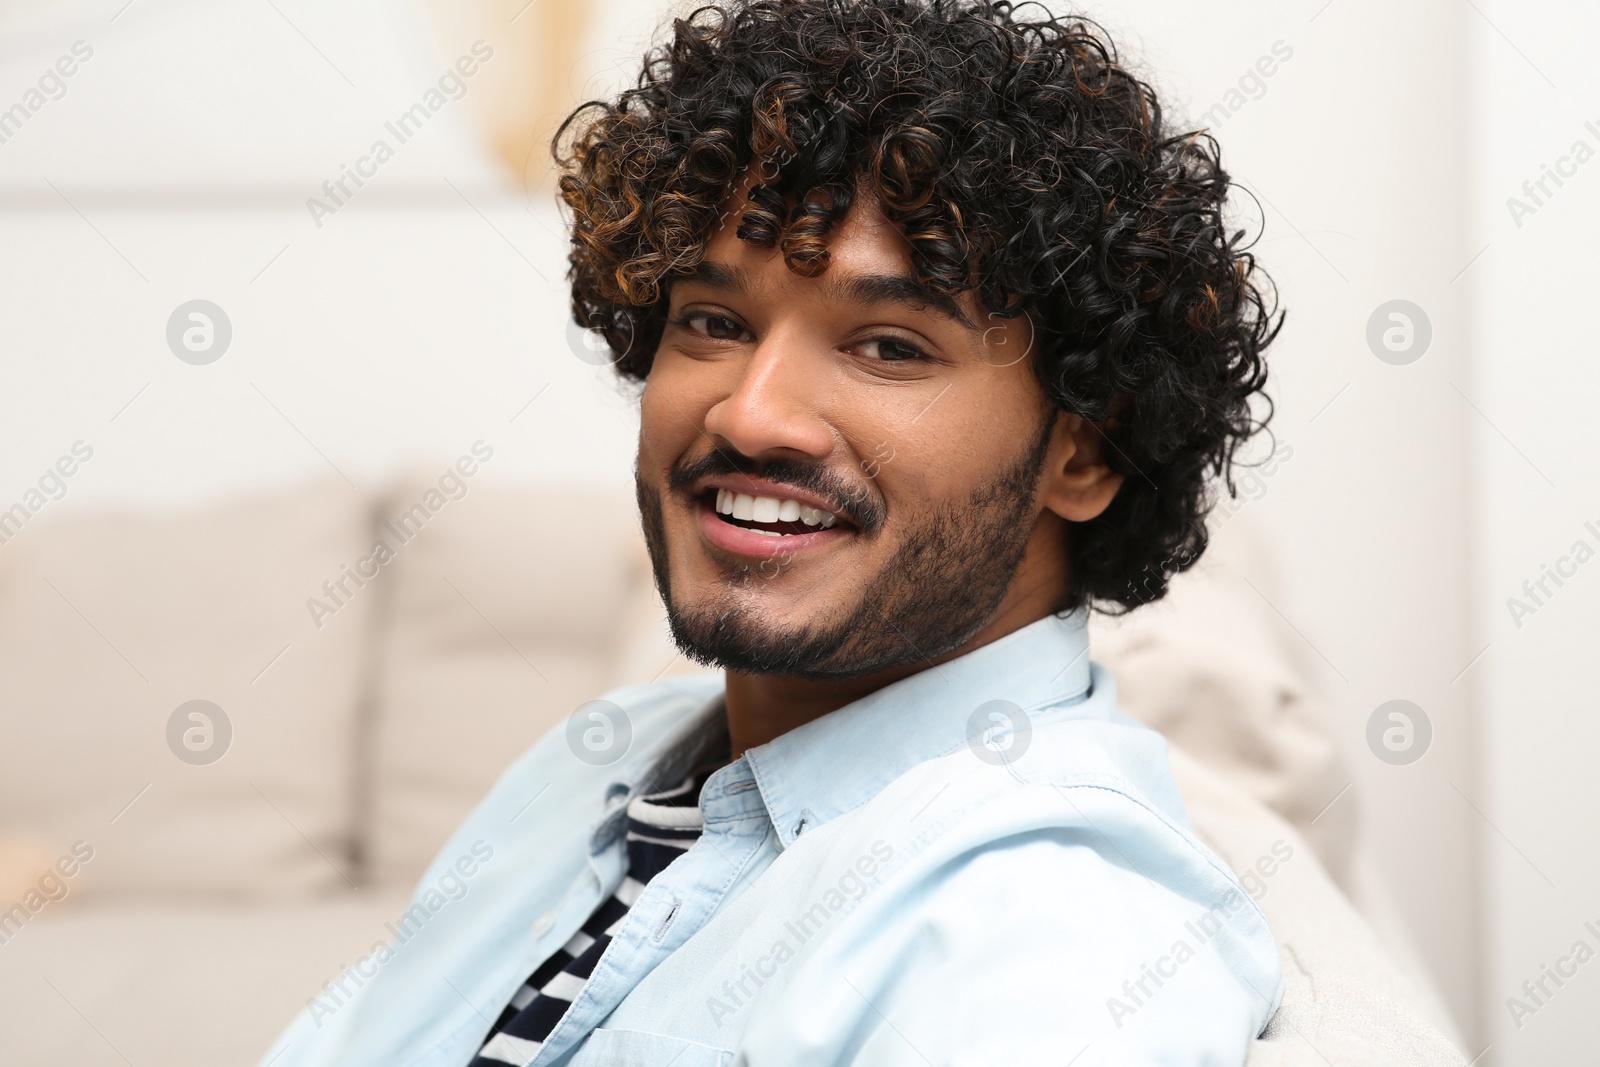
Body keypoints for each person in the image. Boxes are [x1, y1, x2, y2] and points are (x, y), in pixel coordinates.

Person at [262, 1, 1288, 1063]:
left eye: (888, 345)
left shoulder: (1042, 934)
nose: (749, 413)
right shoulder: (593, 768)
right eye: (712, 322)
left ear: (1082, 451)